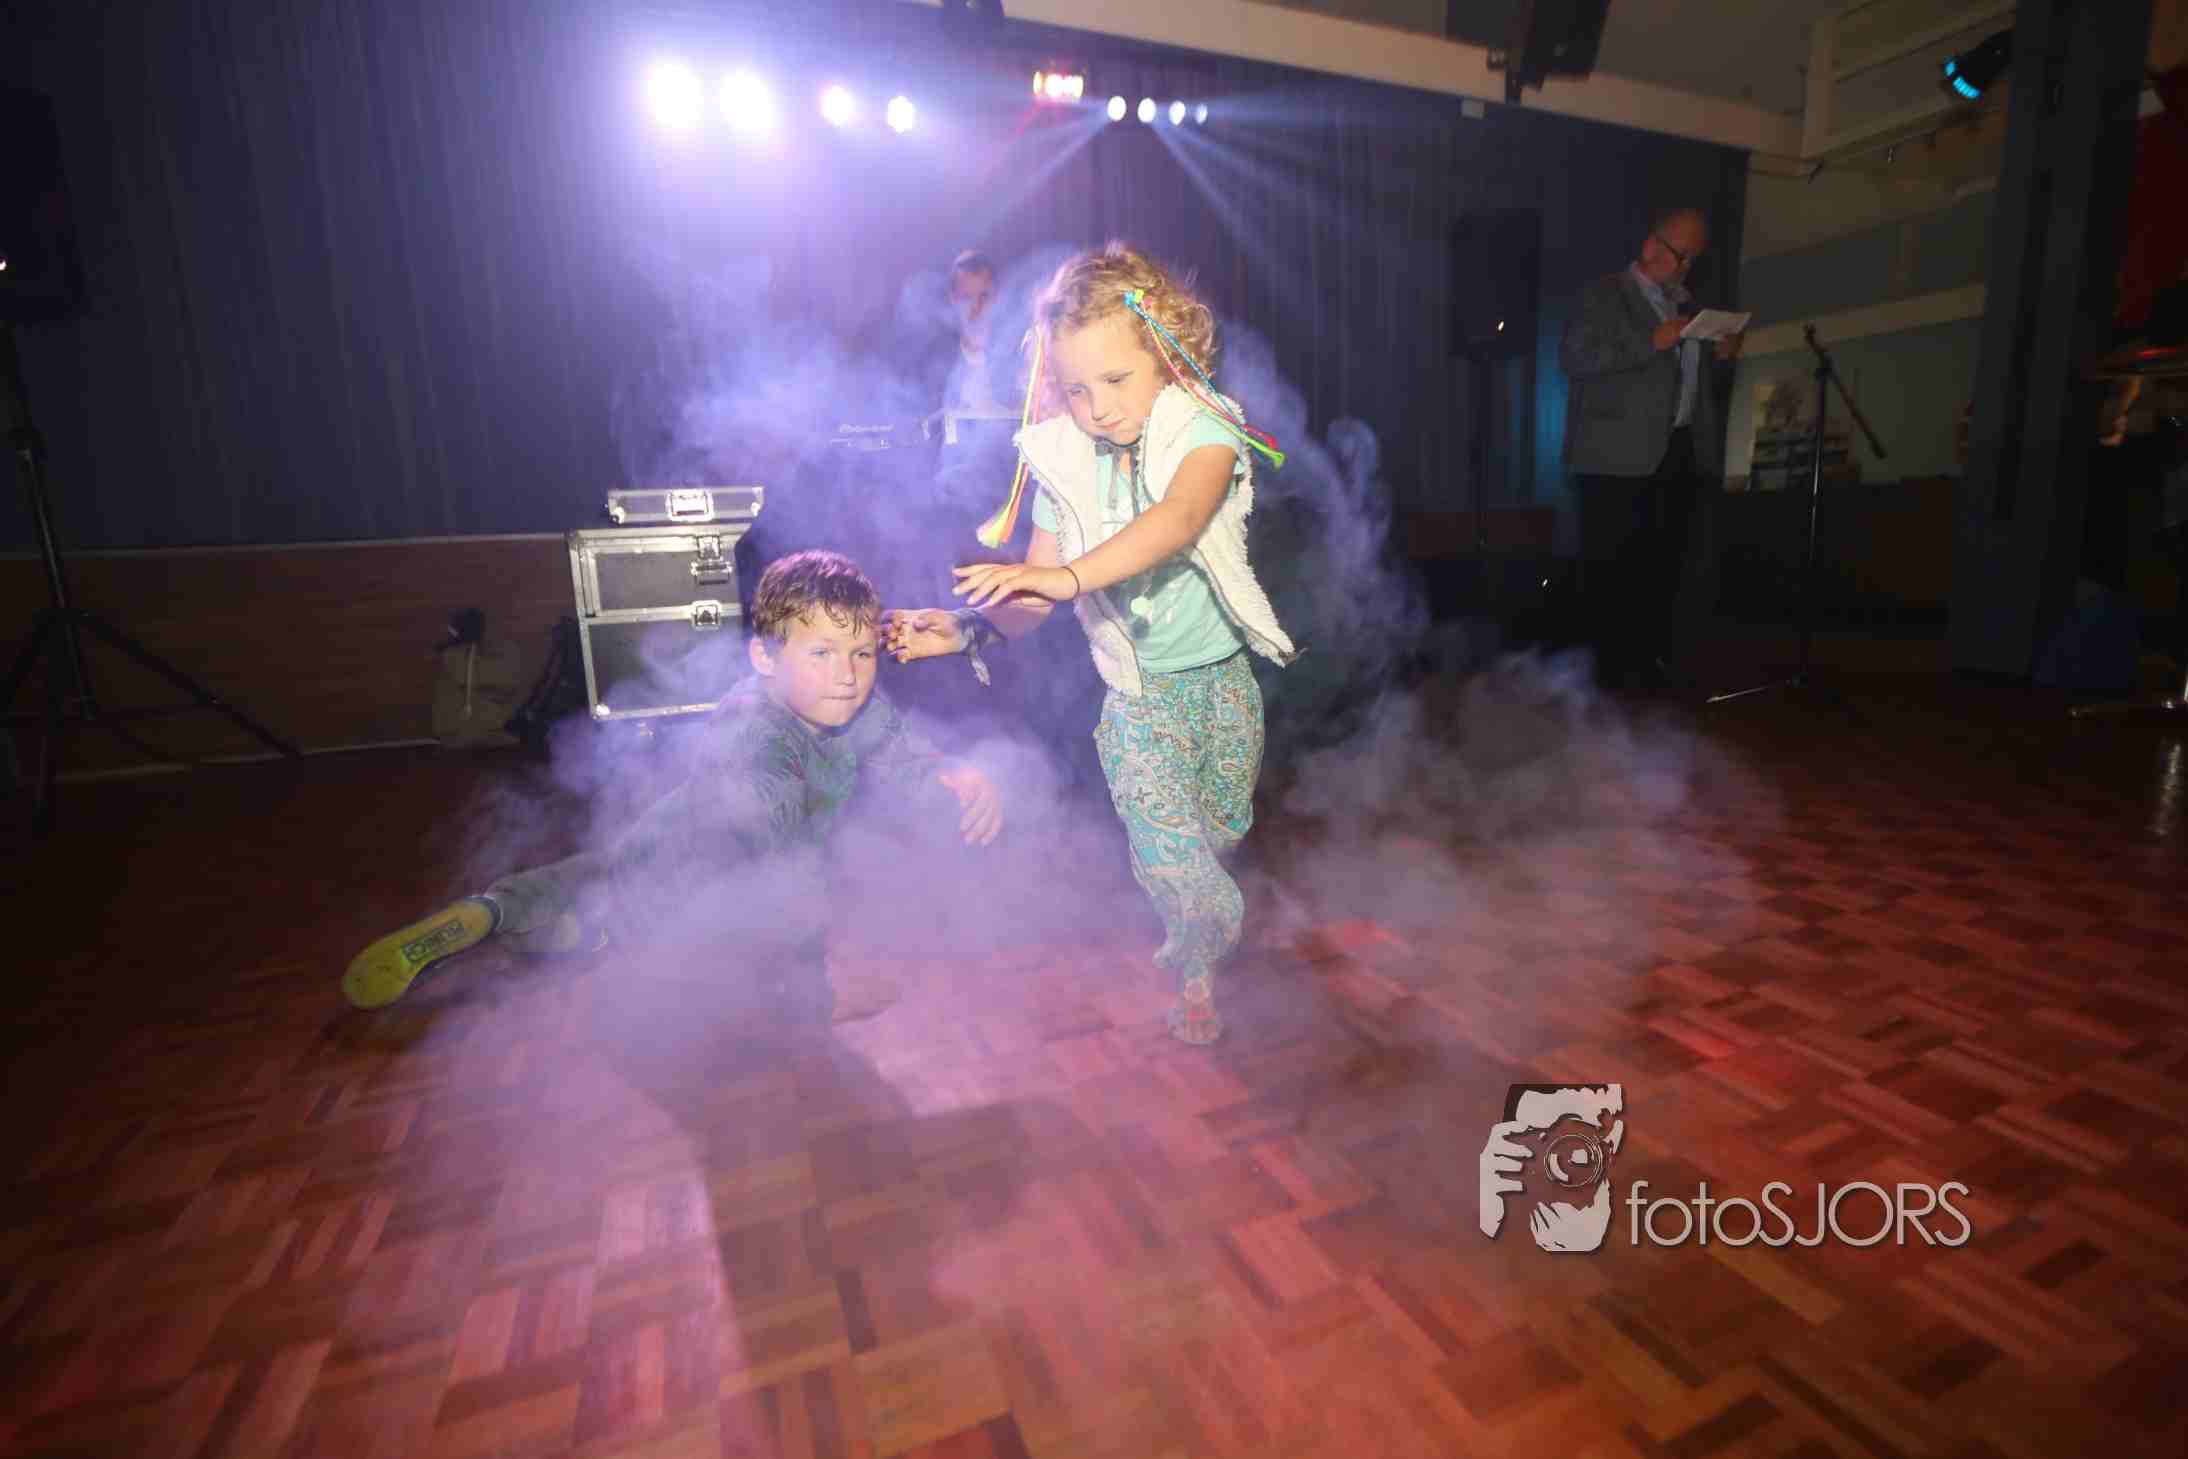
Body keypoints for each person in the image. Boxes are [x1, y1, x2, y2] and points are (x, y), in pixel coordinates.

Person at [884, 243, 1296, 1045]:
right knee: (1175, 861)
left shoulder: (1206, 426)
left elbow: (1176, 520)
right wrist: (967, 625)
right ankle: (1198, 968)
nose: (1098, 407)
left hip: (1222, 688)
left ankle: (1198, 939)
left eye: (1116, 379)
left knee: (1215, 833)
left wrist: (1068, 577)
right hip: (1138, 702)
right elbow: (1036, 594)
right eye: (1076, 389)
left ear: (1164, 353)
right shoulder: (1063, 458)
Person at [341, 550, 1003, 1020]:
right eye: (822, 653)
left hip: (675, 854)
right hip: (688, 880)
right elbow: (786, 873)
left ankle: (494, 914)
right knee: (617, 917)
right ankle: (506, 918)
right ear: (764, 657)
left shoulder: (844, 703)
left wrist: (946, 769)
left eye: (861, 653)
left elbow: (892, 745)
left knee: (592, 901)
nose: (848, 675)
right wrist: (819, 993)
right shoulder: (757, 741)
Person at [1559, 206, 1741, 691]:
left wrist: (1722, 359)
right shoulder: (1603, 294)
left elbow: (1696, 388)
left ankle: (1648, 666)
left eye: (1693, 259)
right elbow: (1574, 358)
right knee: (1612, 570)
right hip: (1613, 456)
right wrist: (1651, 341)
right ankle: (1604, 677)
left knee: (1663, 566)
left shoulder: (1690, 308)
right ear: (1650, 245)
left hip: (1678, 451)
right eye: (1681, 255)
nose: (1685, 267)